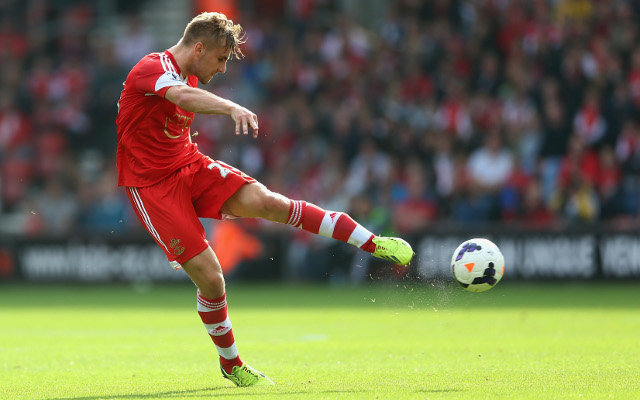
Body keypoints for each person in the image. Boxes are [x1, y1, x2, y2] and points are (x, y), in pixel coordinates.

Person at [115, 12, 414, 387]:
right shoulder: (152, 67)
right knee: (211, 279)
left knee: (270, 202)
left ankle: (372, 243)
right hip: (152, 187)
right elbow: (180, 95)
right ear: (200, 47)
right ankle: (231, 364)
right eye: (221, 59)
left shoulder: (190, 73)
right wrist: (230, 107)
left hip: (188, 165)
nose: (223, 68)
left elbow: (185, 95)